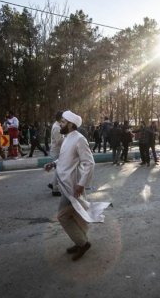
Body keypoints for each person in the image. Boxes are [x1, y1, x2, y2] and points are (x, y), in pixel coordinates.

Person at [44, 110, 110, 261]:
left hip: (73, 187)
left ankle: (83, 243)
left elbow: (89, 163)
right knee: (75, 215)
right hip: (65, 185)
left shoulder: (79, 139)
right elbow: (65, 159)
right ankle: (80, 240)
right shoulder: (67, 138)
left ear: (71, 124)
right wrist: (53, 164)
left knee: (63, 216)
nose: (60, 124)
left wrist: (81, 185)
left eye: (62, 122)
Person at [49, 111, 64, 196]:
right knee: (59, 170)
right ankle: (55, 189)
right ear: (60, 118)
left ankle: (52, 183)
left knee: (58, 170)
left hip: (57, 151)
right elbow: (59, 141)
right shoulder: (57, 128)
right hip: (56, 151)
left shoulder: (57, 126)